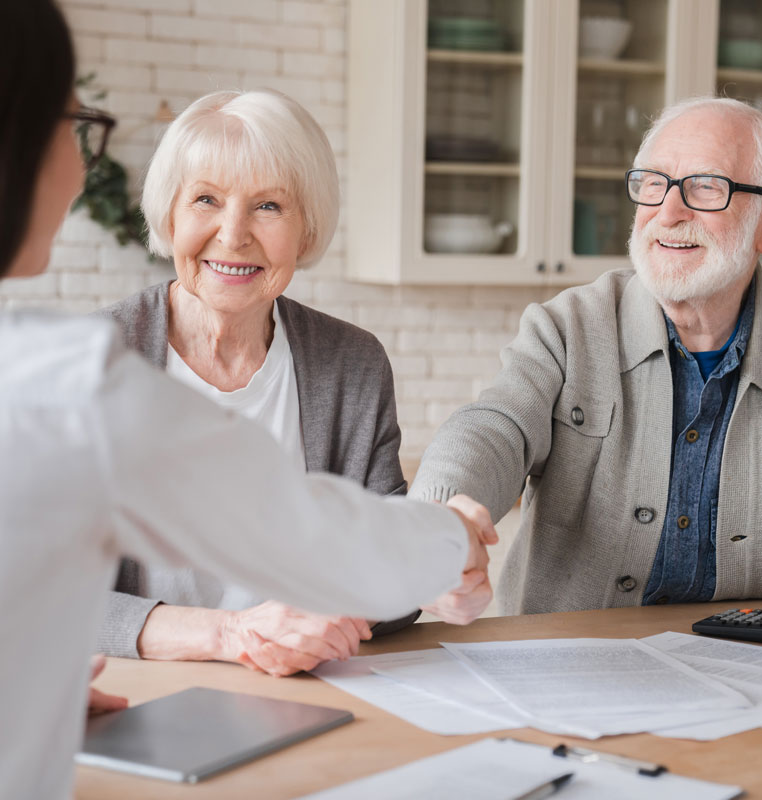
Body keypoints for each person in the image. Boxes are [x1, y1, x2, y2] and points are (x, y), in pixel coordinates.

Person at [0, 2, 497, 797]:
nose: (79, 155)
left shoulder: (347, 361)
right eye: (75, 123)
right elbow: (301, 529)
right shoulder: (73, 379)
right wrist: (450, 540)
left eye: (267, 205)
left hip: (279, 715)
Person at [95, 89, 479, 678]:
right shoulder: (91, 365)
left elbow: (381, 583)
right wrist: (233, 635)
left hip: (309, 690)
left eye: (268, 206)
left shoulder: (351, 363)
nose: (233, 234)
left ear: (306, 229)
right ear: (170, 215)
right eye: (206, 199)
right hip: (136, 690)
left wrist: (429, 569)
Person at [411, 96, 762, 616]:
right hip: (569, 674)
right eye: (654, 183)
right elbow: (494, 426)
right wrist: (439, 517)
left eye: (706, 187)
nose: (667, 212)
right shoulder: (568, 327)